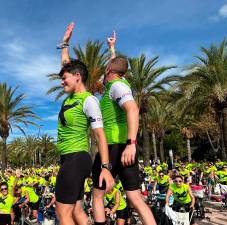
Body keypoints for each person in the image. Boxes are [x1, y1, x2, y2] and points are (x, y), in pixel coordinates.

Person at [55, 22, 114, 225]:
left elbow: (100, 135)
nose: (62, 81)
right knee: (77, 211)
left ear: (78, 77)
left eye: (65, 79)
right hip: (69, 159)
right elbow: (67, 66)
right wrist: (65, 44)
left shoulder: (88, 100)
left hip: (76, 158)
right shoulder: (71, 97)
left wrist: (105, 167)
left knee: (63, 214)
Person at [99, 31, 157, 225]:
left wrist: (131, 144)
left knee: (97, 195)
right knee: (135, 198)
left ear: (108, 71)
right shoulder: (120, 81)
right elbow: (116, 65)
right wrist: (112, 48)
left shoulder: (117, 87)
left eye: (105, 70)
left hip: (116, 146)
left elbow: (133, 108)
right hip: (122, 148)